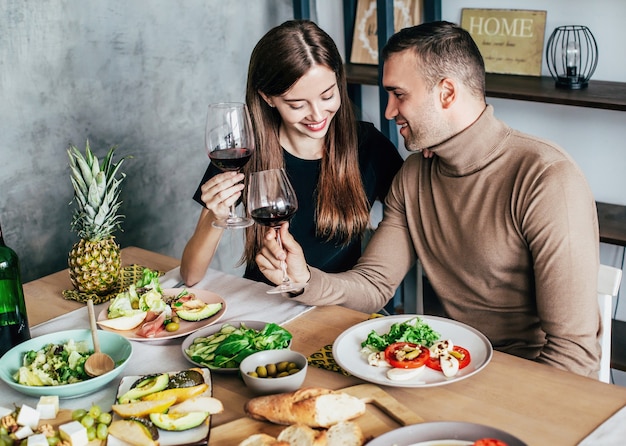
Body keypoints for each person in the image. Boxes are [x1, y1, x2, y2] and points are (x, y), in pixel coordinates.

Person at [255, 21, 601, 378]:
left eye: (399, 94)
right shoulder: (415, 174)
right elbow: (374, 284)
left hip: (522, 379)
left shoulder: (545, 178)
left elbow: (573, 354)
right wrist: (304, 281)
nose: (388, 111)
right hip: (436, 372)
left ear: (447, 93)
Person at [180, 20, 404, 287]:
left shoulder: (368, 146)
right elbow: (191, 274)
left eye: (327, 95)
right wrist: (216, 218)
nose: (318, 115)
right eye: (297, 104)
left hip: (338, 303)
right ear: (267, 97)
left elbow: (415, 212)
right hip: (264, 303)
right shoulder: (244, 150)